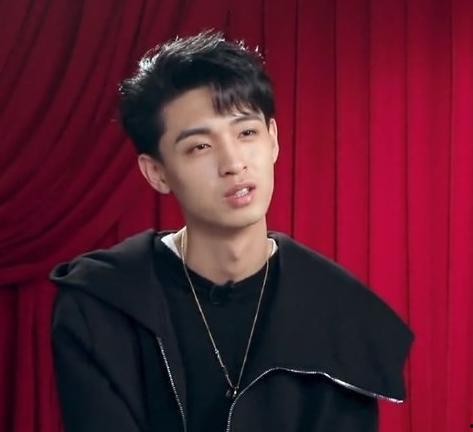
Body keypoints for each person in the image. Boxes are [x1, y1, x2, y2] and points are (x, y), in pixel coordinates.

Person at [50, 31, 413, 432]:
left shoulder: (344, 317)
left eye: (246, 133)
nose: (233, 163)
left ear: (273, 140)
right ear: (156, 172)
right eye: (200, 147)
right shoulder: (101, 303)